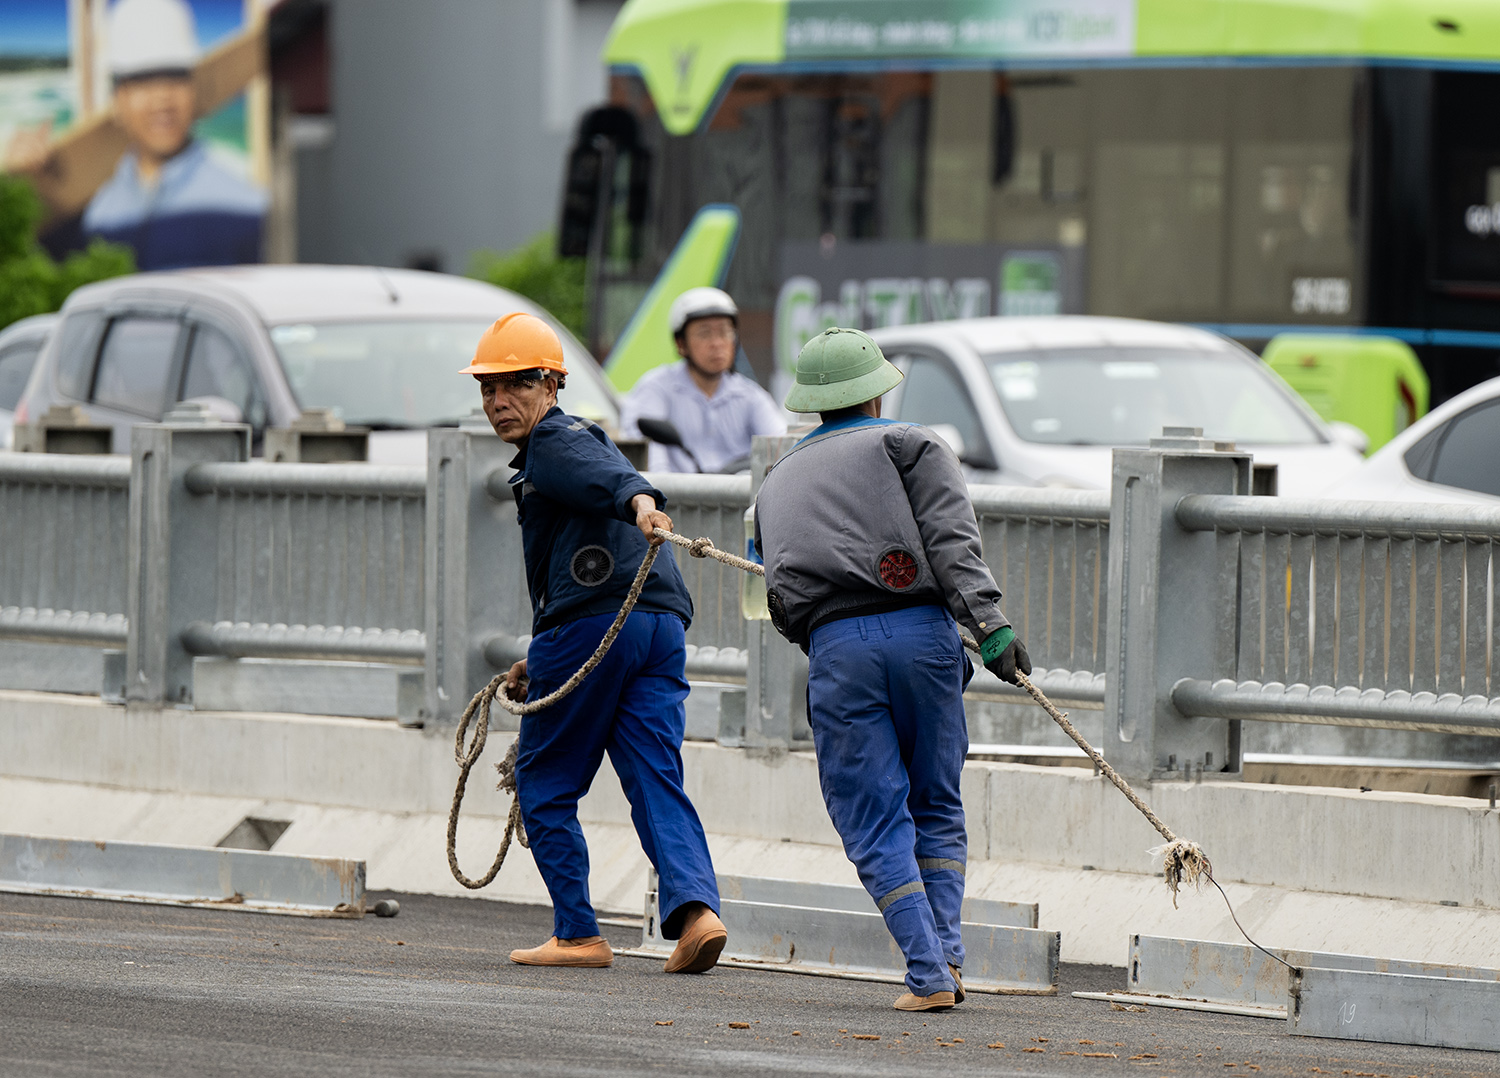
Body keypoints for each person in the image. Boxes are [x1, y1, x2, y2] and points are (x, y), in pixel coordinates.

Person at [752, 327, 1031, 1012]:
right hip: (926, 637)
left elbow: (778, 599)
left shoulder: (774, 482)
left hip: (836, 649)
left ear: (812, 403)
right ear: (877, 392)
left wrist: (831, 637)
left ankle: (926, 972)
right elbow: (953, 542)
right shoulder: (911, 444)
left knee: (874, 816)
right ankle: (949, 958)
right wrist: (990, 627)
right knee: (935, 800)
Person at [460, 311, 727, 973]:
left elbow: (612, 482)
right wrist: (540, 655)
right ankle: (698, 915)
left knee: (544, 779)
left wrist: (641, 502)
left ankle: (578, 934)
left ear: (552, 385)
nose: (499, 401)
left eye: (517, 384)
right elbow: (598, 478)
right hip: (656, 626)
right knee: (655, 775)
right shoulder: (584, 436)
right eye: (489, 388)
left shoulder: (553, 441)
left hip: (595, 626)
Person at [79, 0, 267, 269]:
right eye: (143, 80)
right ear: (118, 100)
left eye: (175, 78)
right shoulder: (97, 216)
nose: (162, 99)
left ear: (194, 90)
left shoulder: (247, 209)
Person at [619, 287, 786, 472]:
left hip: (740, 490)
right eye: (704, 333)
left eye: (725, 332)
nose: (717, 343)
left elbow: (782, 447)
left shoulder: (751, 395)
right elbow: (650, 461)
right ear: (681, 344)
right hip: (674, 491)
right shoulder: (656, 388)